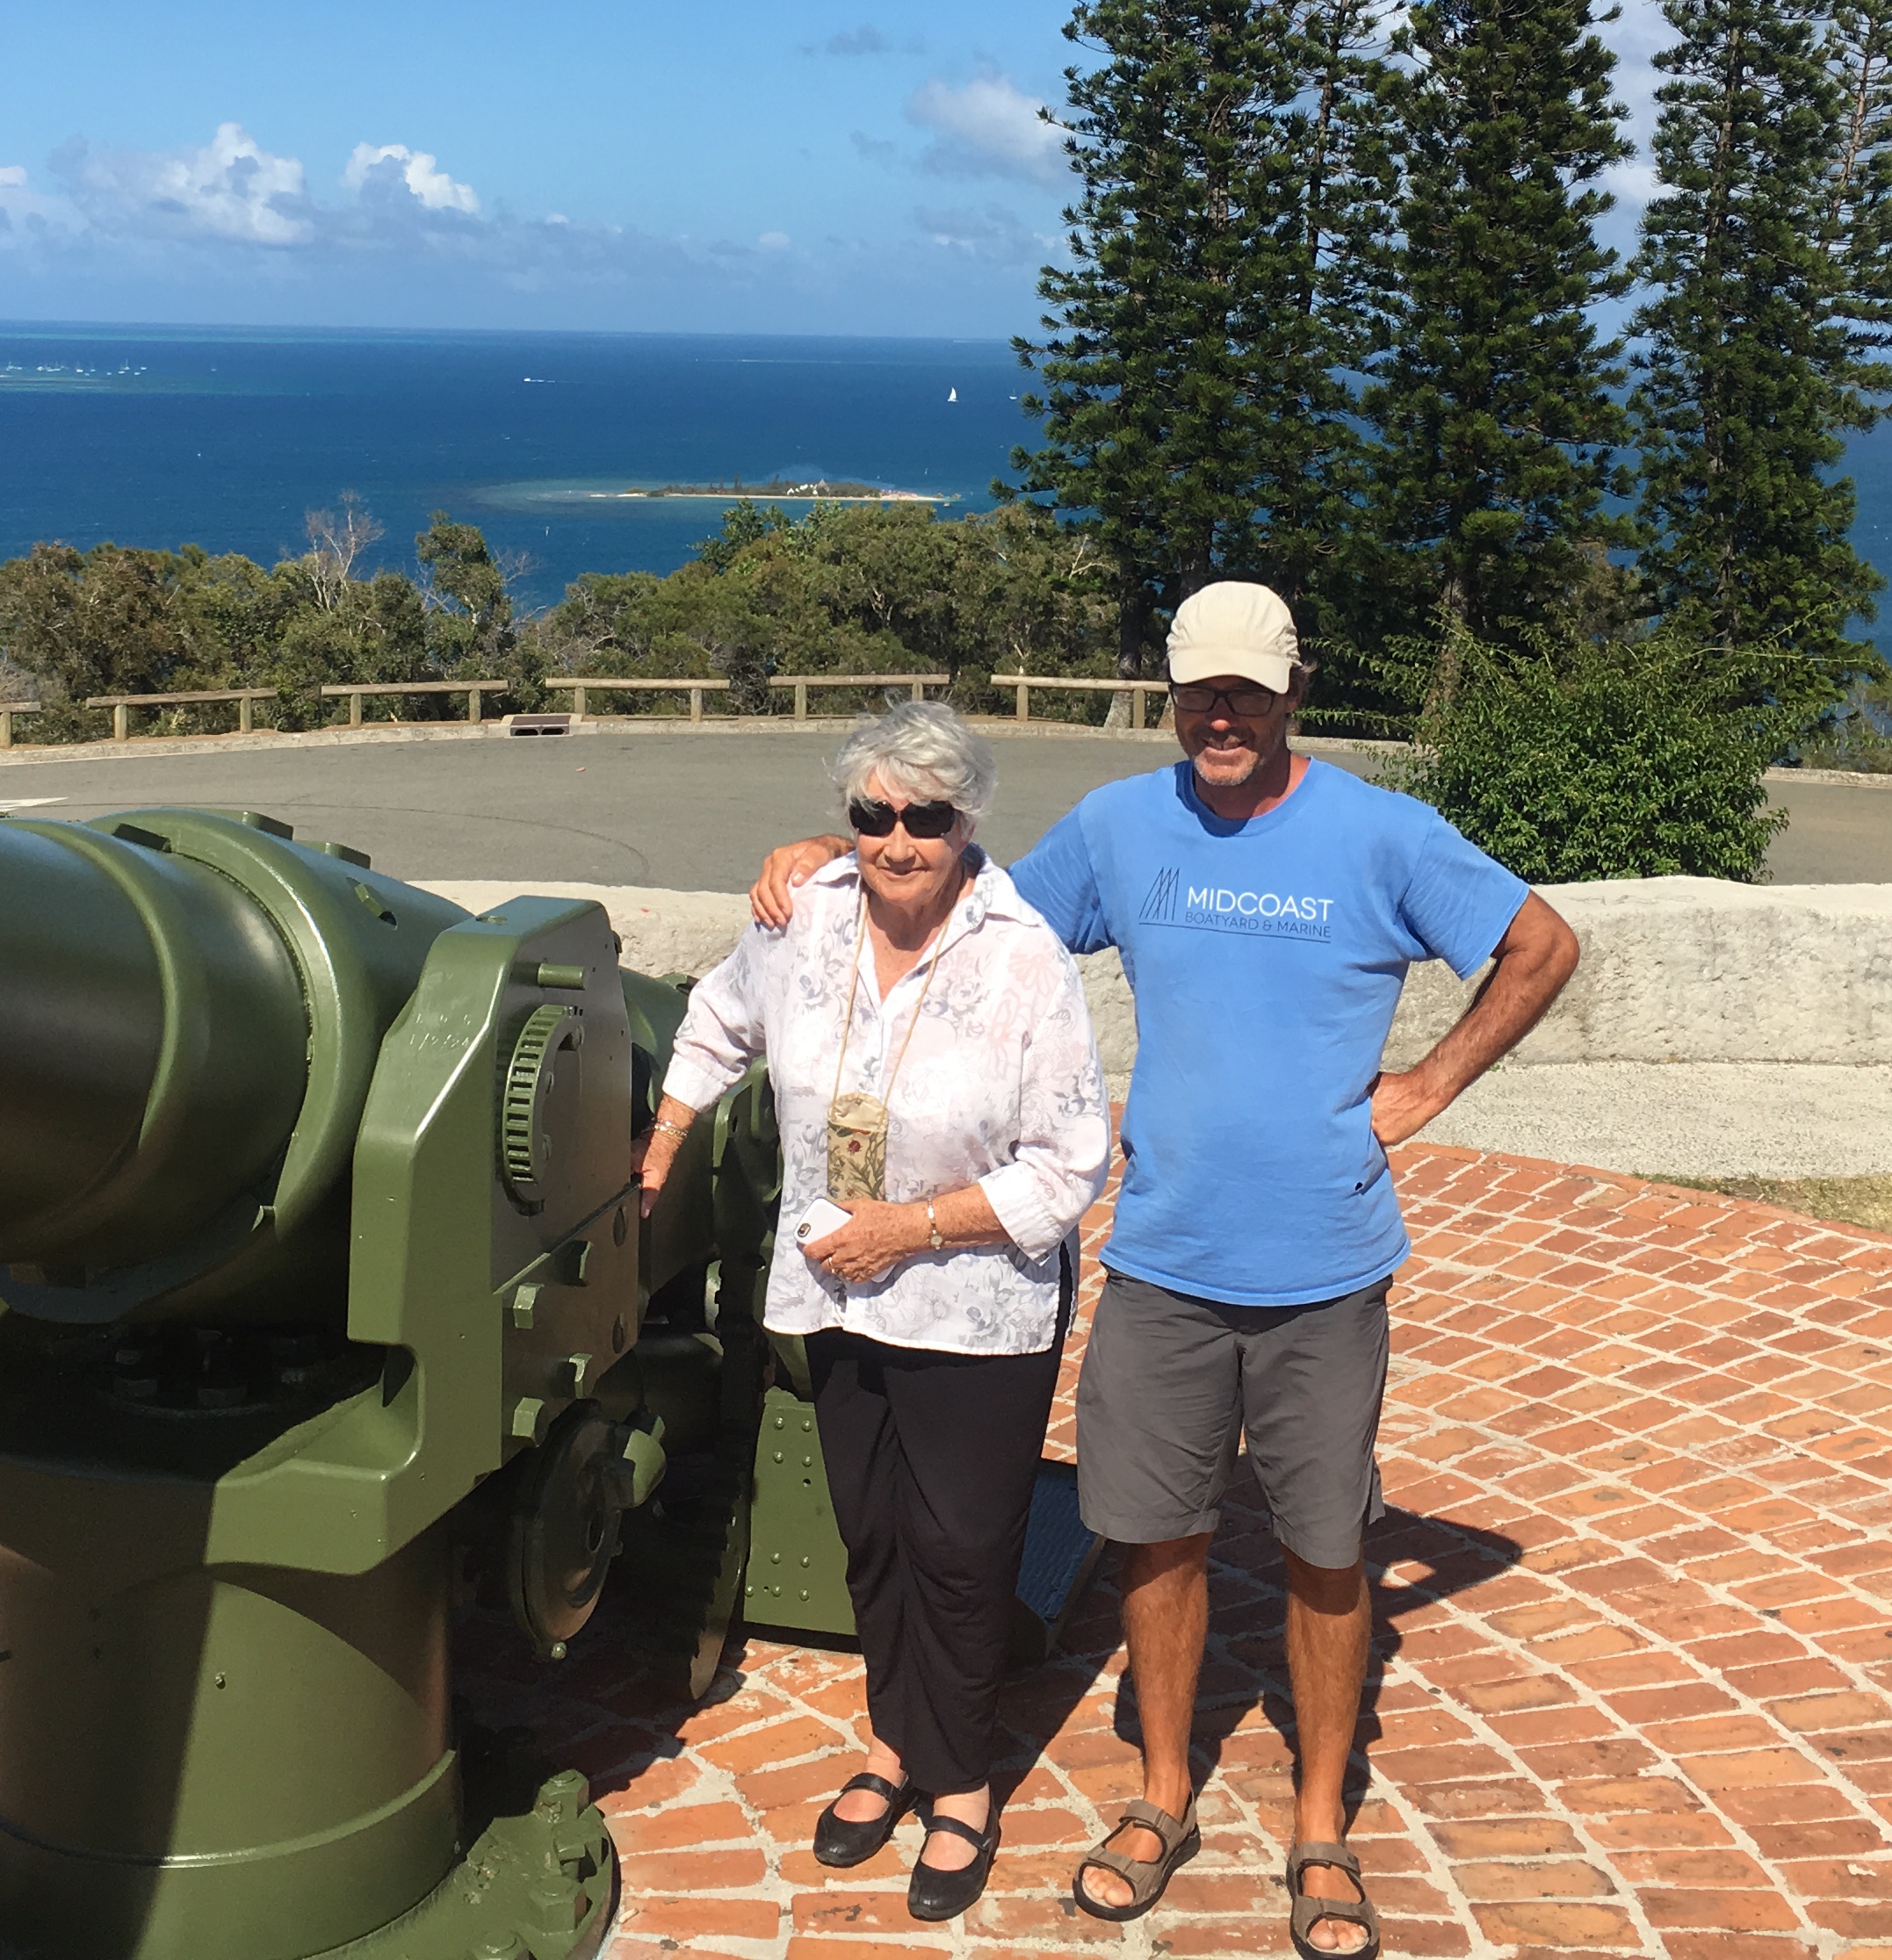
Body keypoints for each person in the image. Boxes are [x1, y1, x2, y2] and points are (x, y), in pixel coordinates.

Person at [749, 584, 1580, 1960]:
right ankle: (1161, 1795)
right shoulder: (1124, 828)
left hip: (1325, 1268)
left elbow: (1541, 943)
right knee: (1158, 1537)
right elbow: (964, 898)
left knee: (1326, 1555)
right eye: (1200, 691)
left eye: (1248, 691)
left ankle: (1320, 1824)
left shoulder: (1381, 833)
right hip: (1163, 1263)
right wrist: (843, 852)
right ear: (1175, 696)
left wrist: (1428, 1086)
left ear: (1293, 691)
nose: (1222, 715)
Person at [640, 700, 1108, 1922]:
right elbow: (718, 1020)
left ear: (969, 823)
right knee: (875, 1537)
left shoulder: (1023, 956)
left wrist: (909, 1227)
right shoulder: (806, 917)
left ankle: (962, 1785)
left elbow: (1069, 1166)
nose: (899, 840)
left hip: (972, 1307)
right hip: (835, 1291)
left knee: (961, 1551)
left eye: (927, 817)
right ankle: (896, 1745)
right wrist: (668, 1132)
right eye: (874, 814)